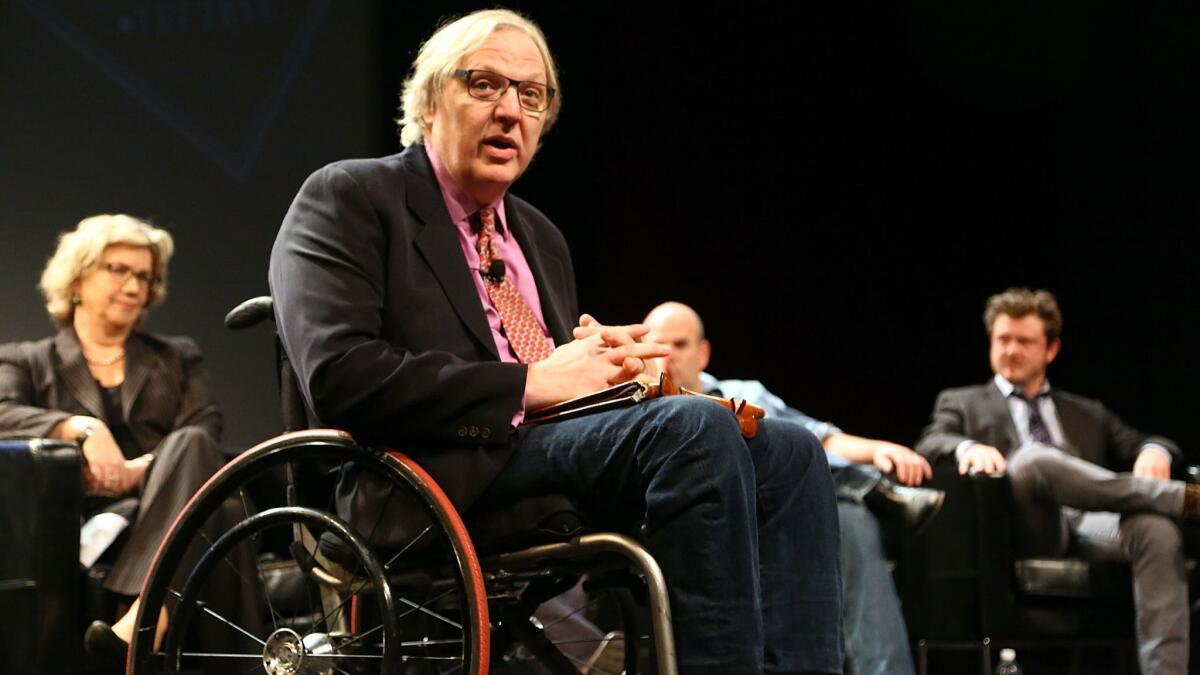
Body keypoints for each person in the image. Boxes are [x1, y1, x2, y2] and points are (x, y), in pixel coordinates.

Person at [268, 9, 843, 674]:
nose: (510, 110)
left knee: (793, 452)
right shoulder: (351, 196)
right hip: (422, 475)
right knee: (691, 432)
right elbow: (342, 374)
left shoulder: (538, 236)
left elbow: (562, 390)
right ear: (429, 101)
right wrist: (535, 382)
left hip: (541, 458)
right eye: (484, 85)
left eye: (530, 95)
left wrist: (610, 377)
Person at [0, 214, 254, 673]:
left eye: (145, 276)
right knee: (227, 514)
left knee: (196, 445)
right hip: (90, 522)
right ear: (78, 277)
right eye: (118, 270)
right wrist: (78, 428)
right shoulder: (28, 360)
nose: (135, 285)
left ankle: (141, 615)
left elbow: (206, 426)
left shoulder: (175, 356)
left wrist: (145, 471)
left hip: (165, 503)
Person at [643, 300, 940, 675]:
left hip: (780, 508)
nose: (667, 356)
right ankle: (873, 492)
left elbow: (819, 440)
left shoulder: (742, 391)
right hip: (715, 514)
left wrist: (881, 449)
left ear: (703, 353)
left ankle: (865, 490)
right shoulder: (642, 407)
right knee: (846, 511)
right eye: (657, 345)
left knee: (842, 510)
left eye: (680, 345)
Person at [915, 287, 1199, 675]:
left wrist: (1155, 452)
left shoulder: (1086, 411)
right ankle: (1184, 499)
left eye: (1024, 341)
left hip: (1090, 520)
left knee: (1157, 528)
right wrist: (965, 447)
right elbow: (931, 441)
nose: (1010, 349)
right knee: (1035, 458)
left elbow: (1144, 440)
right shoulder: (962, 401)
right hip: (1027, 525)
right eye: (1002, 339)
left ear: (1051, 350)